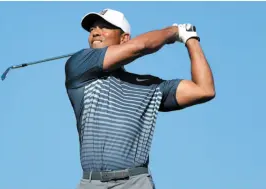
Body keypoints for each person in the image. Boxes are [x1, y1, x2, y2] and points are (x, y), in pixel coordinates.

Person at [65, 8, 215, 189]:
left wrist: (190, 39)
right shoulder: (79, 65)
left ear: (124, 38)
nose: (96, 32)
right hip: (91, 183)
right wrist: (173, 32)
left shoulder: (148, 86)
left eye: (105, 27)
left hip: (136, 182)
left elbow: (204, 90)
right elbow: (140, 47)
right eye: (92, 29)